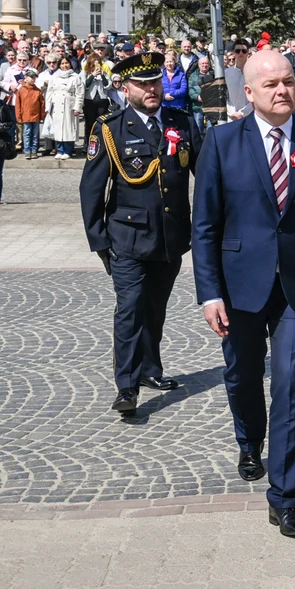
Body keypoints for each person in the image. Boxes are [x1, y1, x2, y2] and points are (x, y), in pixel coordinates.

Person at [192, 49, 295, 538]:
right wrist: (209, 293)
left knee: (290, 384)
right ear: (249, 92)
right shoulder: (221, 142)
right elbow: (205, 226)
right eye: (270, 85)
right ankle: (248, 440)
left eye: (288, 80)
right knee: (242, 375)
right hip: (238, 286)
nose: (282, 90)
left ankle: (284, 497)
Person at [79, 51, 202, 416]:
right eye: (143, 84)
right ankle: (127, 387)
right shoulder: (110, 128)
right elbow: (91, 188)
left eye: (155, 82)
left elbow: (206, 175)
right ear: (125, 87)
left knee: (155, 309)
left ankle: (150, 370)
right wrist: (100, 241)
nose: (151, 89)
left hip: (170, 237)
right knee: (130, 311)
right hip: (127, 239)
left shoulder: (181, 121)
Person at [45, 55, 83, 159]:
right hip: (56, 104)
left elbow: (80, 93)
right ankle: (59, 150)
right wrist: (47, 107)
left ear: (70, 64)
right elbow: (49, 92)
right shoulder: (54, 76)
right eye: (62, 63)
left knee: (69, 128)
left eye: (66, 63)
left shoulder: (75, 77)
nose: (64, 65)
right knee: (57, 128)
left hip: (69, 104)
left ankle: (68, 150)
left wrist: (77, 107)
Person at [14, 68, 46, 160]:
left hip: (35, 116)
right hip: (26, 116)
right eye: (31, 77)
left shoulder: (37, 90)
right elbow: (18, 104)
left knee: (35, 134)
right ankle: (27, 150)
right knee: (27, 133)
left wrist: (42, 115)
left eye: (34, 77)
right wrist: (18, 116)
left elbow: (42, 104)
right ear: (26, 78)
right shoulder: (21, 90)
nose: (32, 79)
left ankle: (34, 150)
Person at [82, 51, 112, 144]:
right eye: (94, 63)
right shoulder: (85, 72)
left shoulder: (104, 73)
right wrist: (92, 76)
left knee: (101, 123)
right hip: (89, 101)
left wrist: (102, 75)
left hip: (102, 101)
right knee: (90, 123)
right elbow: (84, 85)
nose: (96, 65)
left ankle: (101, 143)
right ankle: (87, 143)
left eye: (97, 62)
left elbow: (108, 86)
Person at [225, 41, 253, 118]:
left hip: (250, 115)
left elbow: (256, 95)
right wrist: (232, 113)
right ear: (234, 53)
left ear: (248, 52)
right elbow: (224, 95)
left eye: (243, 51)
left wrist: (242, 113)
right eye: (238, 51)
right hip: (231, 115)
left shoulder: (254, 72)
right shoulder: (227, 73)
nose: (241, 53)